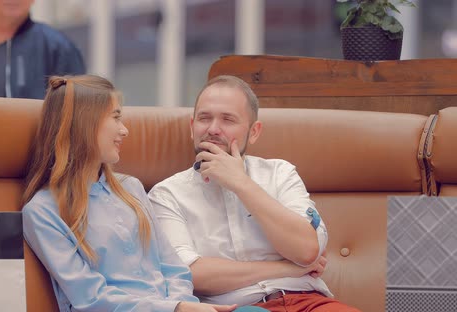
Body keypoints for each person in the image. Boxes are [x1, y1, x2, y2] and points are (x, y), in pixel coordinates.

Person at [21, 74, 243, 312]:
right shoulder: (41, 211)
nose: (124, 130)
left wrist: (182, 304)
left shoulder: (131, 187)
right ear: (85, 123)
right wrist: (174, 309)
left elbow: (173, 267)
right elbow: (90, 298)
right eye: (116, 118)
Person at [148, 75, 361, 312]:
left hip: (308, 301)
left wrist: (241, 183)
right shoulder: (166, 194)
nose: (213, 129)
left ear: (254, 131)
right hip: (236, 307)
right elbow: (190, 275)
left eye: (228, 120)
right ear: (192, 127)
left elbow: (306, 250)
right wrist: (290, 268)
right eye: (204, 118)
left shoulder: (280, 173)